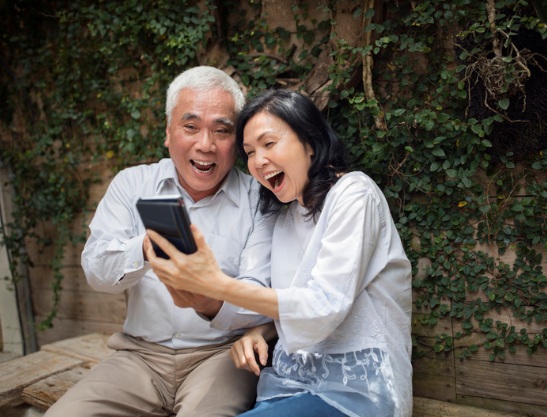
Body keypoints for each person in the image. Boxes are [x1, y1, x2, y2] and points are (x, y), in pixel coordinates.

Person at [146, 89, 413, 417]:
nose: (258, 161)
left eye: (269, 144)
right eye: (249, 152)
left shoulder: (354, 194)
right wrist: (259, 329)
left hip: (356, 392)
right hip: (287, 384)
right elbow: (292, 303)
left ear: (310, 141)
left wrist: (218, 285)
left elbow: (325, 305)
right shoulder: (284, 216)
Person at [44, 66, 276, 417]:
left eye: (221, 130)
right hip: (138, 357)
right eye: (190, 126)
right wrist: (145, 247)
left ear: (238, 141)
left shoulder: (259, 197)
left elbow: (260, 290)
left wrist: (208, 298)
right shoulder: (132, 184)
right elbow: (96, 271)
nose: (205, 144)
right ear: (168, 132)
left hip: (221, 355)